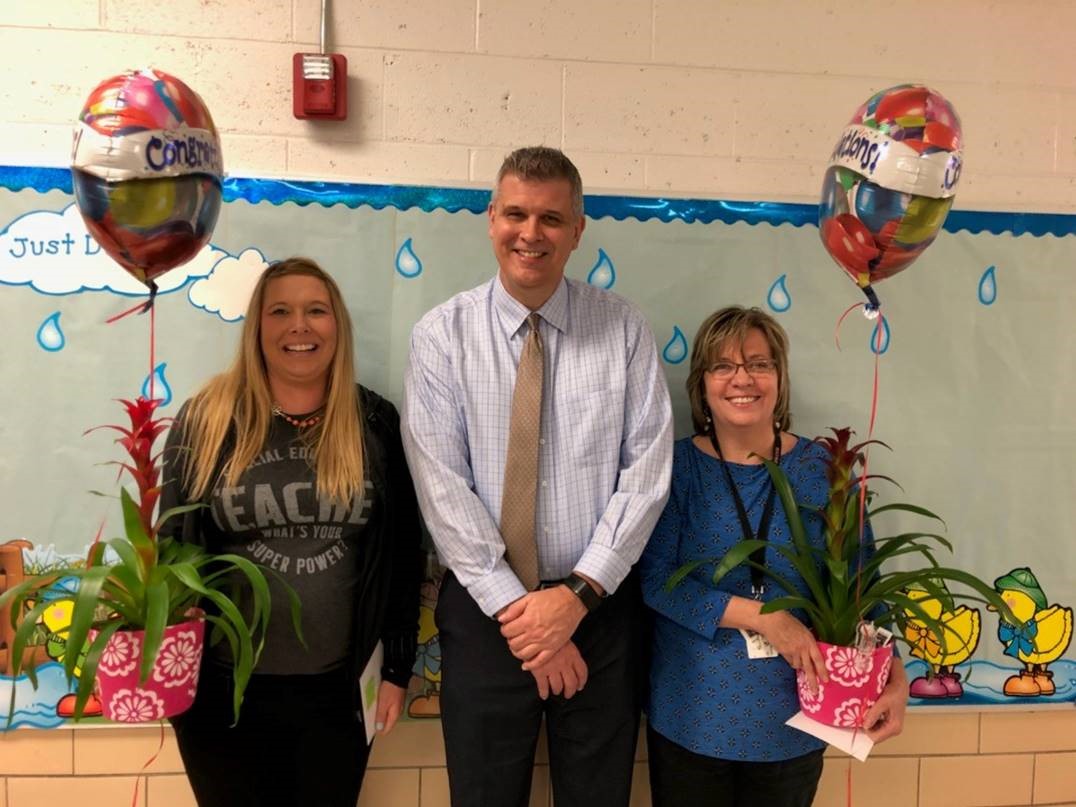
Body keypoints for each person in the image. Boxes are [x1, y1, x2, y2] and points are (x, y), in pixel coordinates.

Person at [401, 146, 673, 807]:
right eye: (516, 213)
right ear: (490, 218)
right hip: (485, 609)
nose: (531, 233)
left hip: (599, 612)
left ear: (578, 230)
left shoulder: (625, 330)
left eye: (551, 218)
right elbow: (442, 489)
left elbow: (648, 473)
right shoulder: (441, 335)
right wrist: (525, 615)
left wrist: (574, 599)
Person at [160, 257, 422, 807]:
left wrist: (397, 668)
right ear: (257, 327)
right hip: (221, 694)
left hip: (339, 697)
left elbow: (402, 556)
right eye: (280, 311)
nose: (298, 326)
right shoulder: (206, 420)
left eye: (315, 311)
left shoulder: (373, 421)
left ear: (338, 326)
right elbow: (172, 549)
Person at [639, 306, 908, 807]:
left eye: (759, 364)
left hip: (797, 717)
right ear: (702, 384)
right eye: (723, 366)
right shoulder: (675, 469)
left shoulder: (825, 469)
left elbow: (862, 584)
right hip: (691, 715)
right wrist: (767, 618)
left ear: (780, 379)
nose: (743, 379)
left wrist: (895, 677)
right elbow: (656, 582)